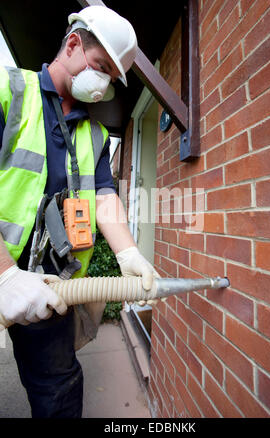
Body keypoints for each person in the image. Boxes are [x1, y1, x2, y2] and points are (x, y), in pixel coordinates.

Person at [0, 5, 158, 418]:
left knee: (60, 392)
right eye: (101, 66)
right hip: (4, 275)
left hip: (53, 291)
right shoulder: (10, 90)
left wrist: (128, 254)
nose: (103, 83)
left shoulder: (95, 133)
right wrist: (5, 274)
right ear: (73, 43)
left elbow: (105, 198)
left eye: (111, 77)